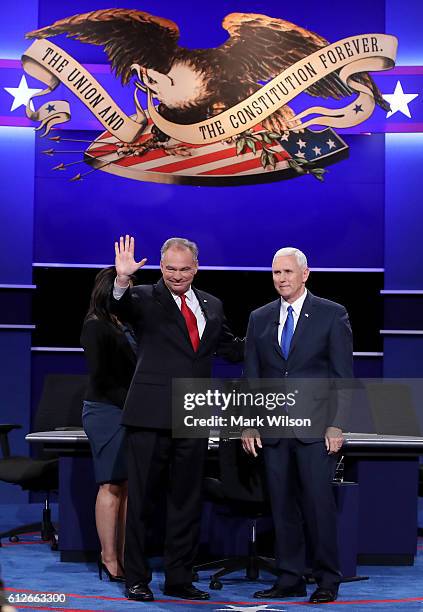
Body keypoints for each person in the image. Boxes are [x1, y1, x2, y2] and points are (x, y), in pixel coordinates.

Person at [112, 235, 243, 602]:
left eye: (184, 269)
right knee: (143, 500)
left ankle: (179, 578)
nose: (177, 275)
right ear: (161, 266)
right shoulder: (142, 298)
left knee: (187, 500)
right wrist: (122, 280)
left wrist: (273, 334)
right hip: (149, 414)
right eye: (170, 268)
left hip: (194, 412)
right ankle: (136, 578)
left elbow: (230, 347)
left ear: (196, 268)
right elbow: (116, 306)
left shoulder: (212, 305)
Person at [242, 247, 353, 604]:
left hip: (315, 431)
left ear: (305, 274)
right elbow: (252, 378)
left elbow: (342, 376)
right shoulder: (259, 318)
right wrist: (249, 424)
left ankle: (326, 580)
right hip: (274, 430)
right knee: (283, 508)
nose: (281, 279)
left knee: (318, 507)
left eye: (288, 272)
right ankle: (290, 578)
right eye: (276, 273)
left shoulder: (332, 315)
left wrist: (337, 424)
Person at [81, 267, 137, 582]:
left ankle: (128, 555)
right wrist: (131, 405)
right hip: (105, 411)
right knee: (111, 483)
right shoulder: (95, 326)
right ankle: (109, 558)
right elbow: (101, 376)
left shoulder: (128, 324)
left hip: (128, 410)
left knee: (127, 485)